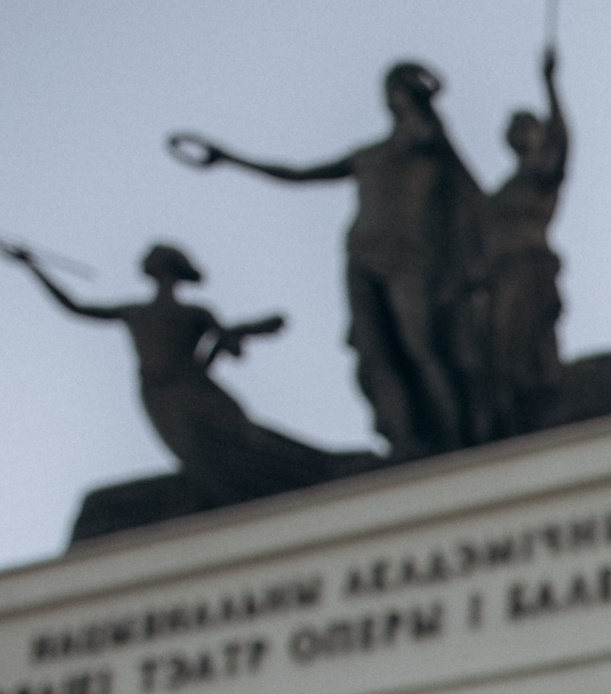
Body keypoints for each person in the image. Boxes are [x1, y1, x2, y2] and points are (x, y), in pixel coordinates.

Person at [170, 62, 481, 460]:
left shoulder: (429, 143)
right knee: (376, 351)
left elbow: (461, 179)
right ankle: (406, 441)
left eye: (400, 89)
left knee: (422, 348)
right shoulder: (370, 155)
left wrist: (426, 89)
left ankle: (456, 439)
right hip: (362, 257)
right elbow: (299, 174)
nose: (394, 97)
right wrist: (231, 158)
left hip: (409, 260)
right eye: (390, 90)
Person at [6, 241, 357, 507]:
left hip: (193, 390)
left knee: (241, 441)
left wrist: (241, 333)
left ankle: (321, 468)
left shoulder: (195, 313)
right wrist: (33, 267)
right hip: (159, 395)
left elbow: (227, 349)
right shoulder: (135, 312)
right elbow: (76, 307)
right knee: (202, 456)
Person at [468, 46, 570, 441]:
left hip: (528, 270)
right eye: (513, 127)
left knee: (519, 354)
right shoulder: (503, 191)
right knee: (496, 359)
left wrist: (550, 83)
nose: (517, 131)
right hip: (495, 279)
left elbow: (563, 141)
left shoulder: (541, 176)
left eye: (526, 125)